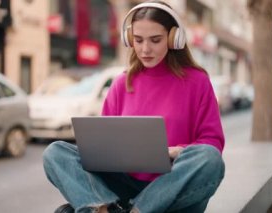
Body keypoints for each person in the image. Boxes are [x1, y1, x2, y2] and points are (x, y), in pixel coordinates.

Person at [43, 1, 225, 212]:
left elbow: (212, 143)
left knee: (210, 160)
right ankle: (104, 208)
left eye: (155, 40)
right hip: (124, 184)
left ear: (174, 38)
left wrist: (178, 151)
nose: (145, 49)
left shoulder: (197, 81)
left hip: (173, 186)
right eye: (138, 40)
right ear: (129, 39)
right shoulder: (121, 83)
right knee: (55, 152)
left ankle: (137, 209)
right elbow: (104, 144)